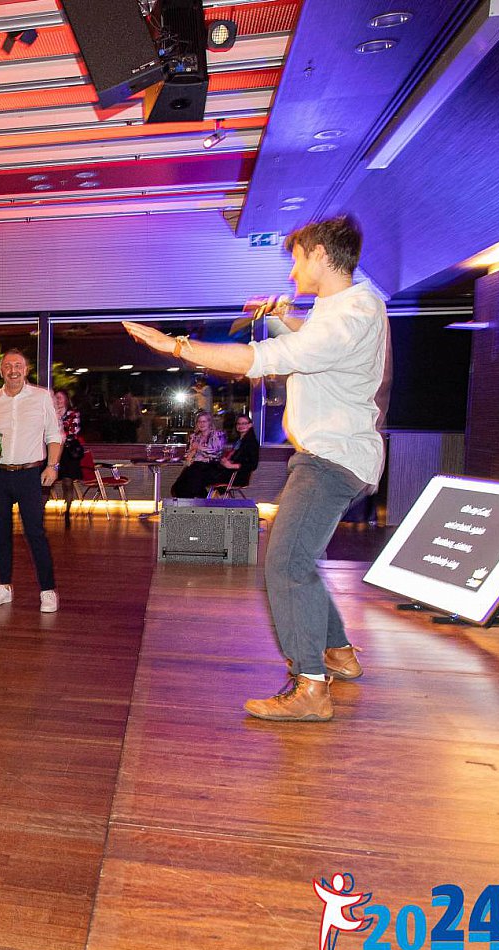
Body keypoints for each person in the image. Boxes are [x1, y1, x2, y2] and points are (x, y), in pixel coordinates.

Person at [123, 214, 389, 723]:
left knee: (285, 565)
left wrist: (174, 345)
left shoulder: (350, 314)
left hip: (330, 459)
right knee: (299, 560)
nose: (293, 273)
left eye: (297, 259)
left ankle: (311, 688)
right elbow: (323, 351)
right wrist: (289, 318)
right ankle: (337, 653)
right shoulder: (350, 308)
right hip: (334, 455)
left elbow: (259, 360)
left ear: (319, 255)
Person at [0, 349, 64, 613]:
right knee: (1, 533)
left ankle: (47, 590)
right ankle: (4, 586)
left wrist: (52, 466)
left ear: (26, 370)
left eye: (18, 366)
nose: (13, 370)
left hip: (29, 475)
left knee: (35, 533)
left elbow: (54, 435)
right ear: (1, 371)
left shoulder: (41, 397)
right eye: (8, 366)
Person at [174, 414, 258, 497]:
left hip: (236, 475)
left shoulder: (251, 443)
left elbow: (253, 464)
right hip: (226, 471)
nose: (241, 426)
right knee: (193, 472)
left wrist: (231, 465)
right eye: (239, 424)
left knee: (197, 473)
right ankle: (190, 495)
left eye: (244, 423)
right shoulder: (240, 440)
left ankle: (195, 498)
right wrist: (226, 460)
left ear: (250, 425)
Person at [169, 412, 229, 498]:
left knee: (192, 481)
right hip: (195, 467)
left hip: (212, 467)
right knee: (178, 487)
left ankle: (201, 500)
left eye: (204, 421)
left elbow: (217, 454)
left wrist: (199, 448)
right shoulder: (194, 437)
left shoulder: (218, 435)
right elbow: (189, 453)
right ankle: (198, 500)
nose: (201, 424)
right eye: (199, 422)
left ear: (209, 422)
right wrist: (188, 456)